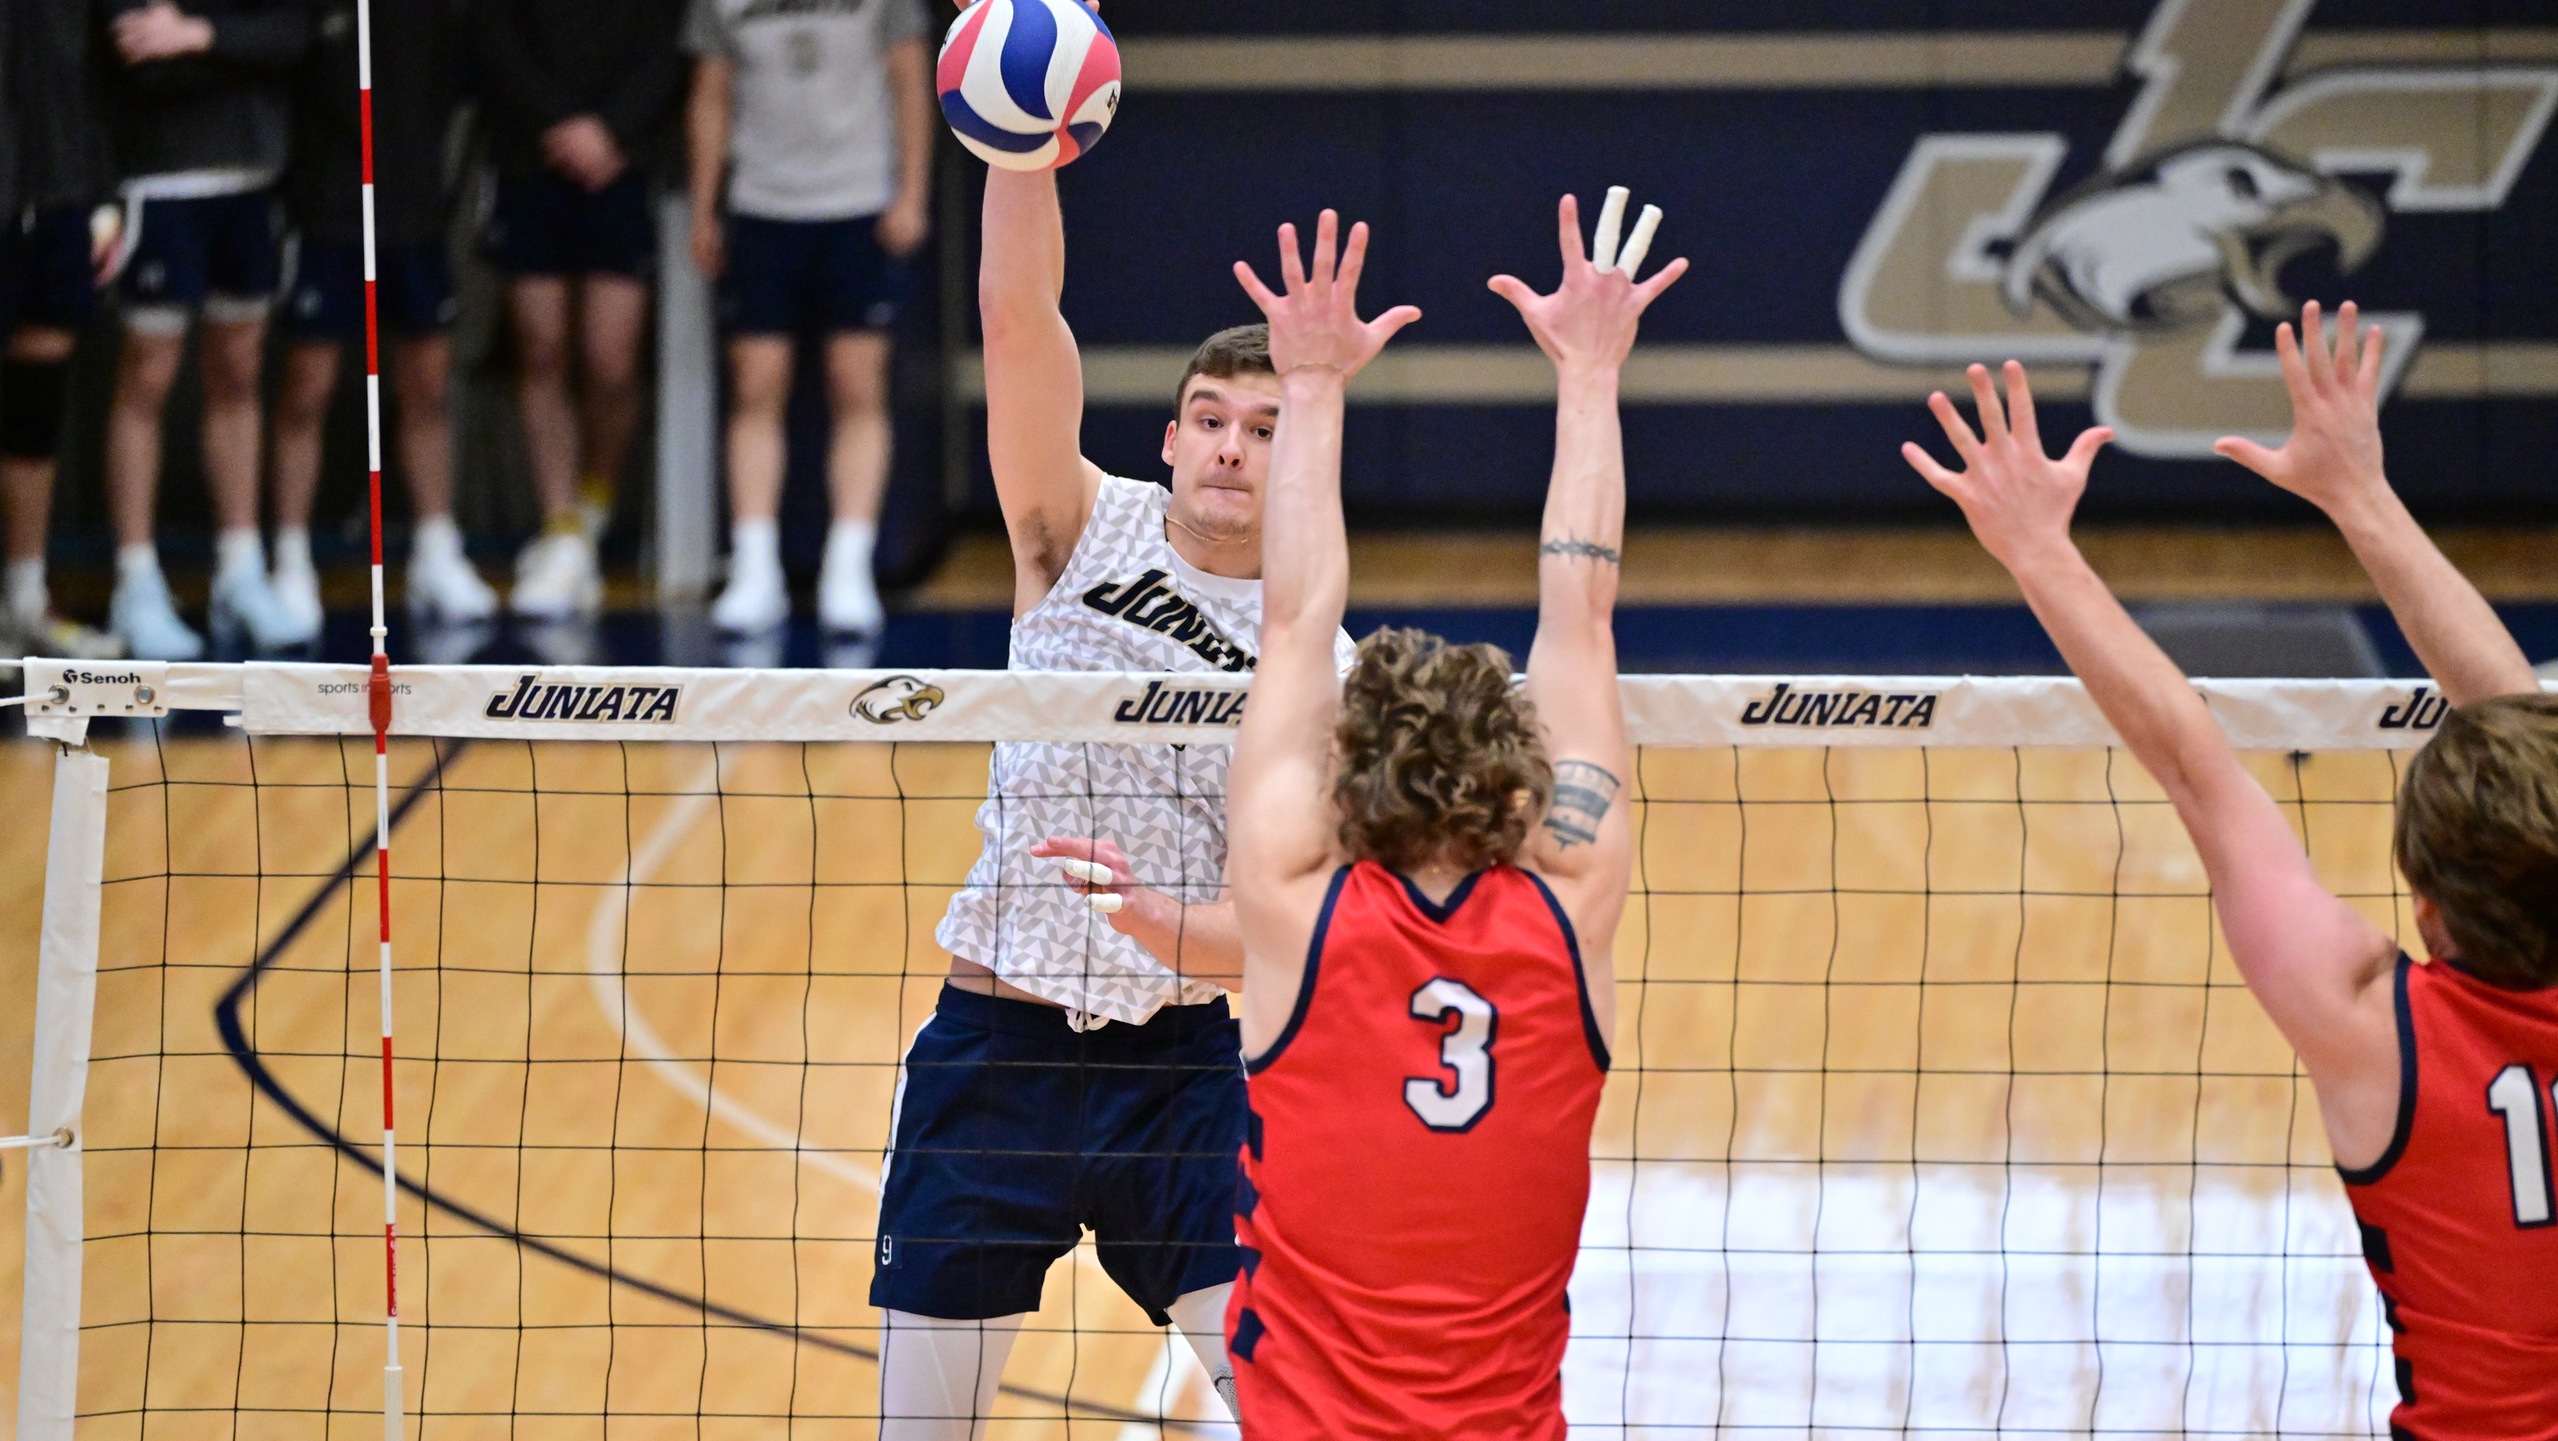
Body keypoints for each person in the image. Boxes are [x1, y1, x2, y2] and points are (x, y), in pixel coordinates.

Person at [1901, 303, 2558, 1435]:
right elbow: (2516, 722)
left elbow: (2192, 763)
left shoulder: (2373, 1029)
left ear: (2423, 902)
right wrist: (2360, 491)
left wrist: (2036, 548)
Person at [862, 150, 1356, 1432]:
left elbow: (1310, 931)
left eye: (1265, 429)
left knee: (1292, 1410)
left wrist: (1165, 932)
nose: (1231, 450)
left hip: (1189, 1078)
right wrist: (1021, 158)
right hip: (994, 1055)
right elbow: (1017, 321)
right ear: (1171, 433)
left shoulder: (1323, 656)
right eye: (1210, 418)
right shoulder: (1079, 531)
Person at [1218, 199, 1683, 1438]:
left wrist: (1307, 385)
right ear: (1519, 786)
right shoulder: (1567, 893)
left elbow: (1293, 621)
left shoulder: (1290, 898)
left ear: (1346, 771)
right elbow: (1579, 614)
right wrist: (1589, 373)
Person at [683, 0, 932, 637]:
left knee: (858, 388)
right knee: (755, 387)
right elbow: (711, 92)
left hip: (857, 204)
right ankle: (754, 568)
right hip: (762, 204)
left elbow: (910, 78)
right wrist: (705, 207)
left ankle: (848, 568)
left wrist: (911, 193)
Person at [267, 0, 494, 631]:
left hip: (414, 214)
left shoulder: (435, 18)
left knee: (427, 385)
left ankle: (437, 549)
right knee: (306, 390)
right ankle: (289, 558)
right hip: (325, 216)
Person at [98, 0, 313, 658]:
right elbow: (139, 59)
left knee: (239, 371)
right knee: (149, 374)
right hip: (160, 178)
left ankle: (240, 568)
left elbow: (290, 35)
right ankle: (135, 580)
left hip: (253, 176)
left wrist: (199, 35)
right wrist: (238, 55)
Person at [474, 0, 686, 618]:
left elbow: (668, 44)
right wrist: (558, 125)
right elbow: (493, 36)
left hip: (622, 166)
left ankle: (591, 508)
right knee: (540, 346)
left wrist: (612, 132)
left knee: (610, 359)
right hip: (528, 158)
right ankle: (560, 522)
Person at [1, 0, 123, 658]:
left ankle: (24, 599)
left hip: (58, 192)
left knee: (35, 401)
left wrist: (99, 189)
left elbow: (88, 72)